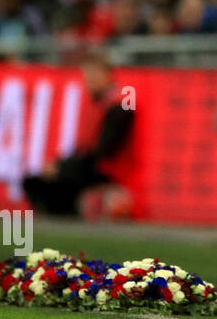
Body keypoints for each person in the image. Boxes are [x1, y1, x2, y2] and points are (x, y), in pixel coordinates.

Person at [22, 51, 134, 217]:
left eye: (94, 75)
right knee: (33, 181)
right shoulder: (96, 104)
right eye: (87, 76)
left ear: (107, 75)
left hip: (102, 170)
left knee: (50, 181)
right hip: (86, 164)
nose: (89, 81)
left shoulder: (119, 103)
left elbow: (102, 150)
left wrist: (63, 167)